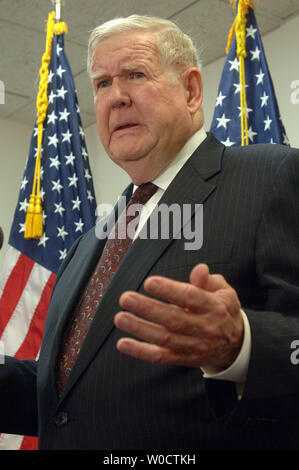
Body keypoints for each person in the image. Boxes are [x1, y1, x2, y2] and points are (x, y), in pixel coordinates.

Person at [0, 15, 298, 451]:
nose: (115, 97)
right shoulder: (89, 241)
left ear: (192, 90)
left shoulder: (270, 175)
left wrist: (241, 347)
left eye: (135, 75)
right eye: (101, 84)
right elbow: (66, 395)